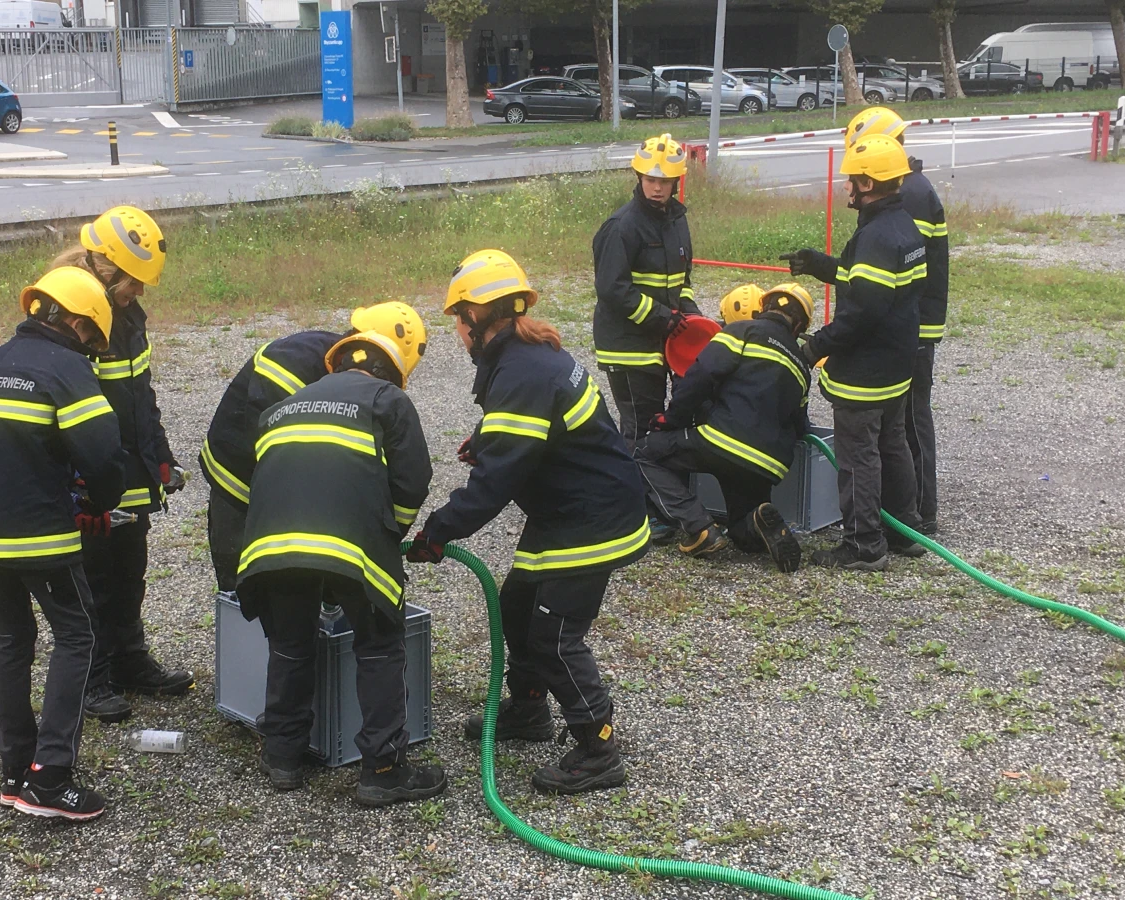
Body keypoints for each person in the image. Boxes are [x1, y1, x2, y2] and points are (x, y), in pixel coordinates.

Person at [410, 249, 648, 795]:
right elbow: (535, 428)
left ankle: (598, 748)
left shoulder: (521, 369)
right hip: (568, 508)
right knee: (518, 607)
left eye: (457, 320)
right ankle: (529, 710)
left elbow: (494, 485)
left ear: (476, 316)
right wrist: (489, 438)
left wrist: (436, 532)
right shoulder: (525, 357)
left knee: (555, 636)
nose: (456, 331)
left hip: (592, 519)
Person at [0, 266, 129, 821]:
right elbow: (102, 457)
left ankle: (14, 770)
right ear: (79, 323)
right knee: (77, 635)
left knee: (11, 639)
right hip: (39, 535)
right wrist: (97, 503)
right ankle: (49, 778)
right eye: (93, 338)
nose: (92, 349)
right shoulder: (66, 370)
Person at [235, 304, 440, 808]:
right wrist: (392, 534)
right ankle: (384, 769)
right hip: (351, 545)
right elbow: (413, 481)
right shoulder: (388, 401)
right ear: (395, 370)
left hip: (269, 549)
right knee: (379, 642)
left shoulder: (285, 406)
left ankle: (282, 755)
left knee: (291, 642)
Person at [51, 205, 193, 724]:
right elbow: (62, 410)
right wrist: (78, 485)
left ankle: (130, 661)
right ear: (103, 267)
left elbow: (139, 394)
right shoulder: (72, 315)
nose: (139, 292)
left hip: (129, 465)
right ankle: (91, 678)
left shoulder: (128, 317)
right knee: (92, 577)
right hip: (87, 470)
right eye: (132, 282)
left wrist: (160, 455)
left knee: (130, 569)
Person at [199, 303, 419, 602]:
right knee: (248, 585)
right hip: (238, 478)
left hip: (288, 478)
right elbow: (288, 465)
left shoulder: (362, 389)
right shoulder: (289, 365)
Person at [780, 133, 927, 571]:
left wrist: (814, 348)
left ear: (868, 183)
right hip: (896, 366)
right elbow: (866, 282)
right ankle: (905, 530)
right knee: (893, 444)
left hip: (865, 373)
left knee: (859, 457)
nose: (846, 186)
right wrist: (819, 264)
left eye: (851, 179)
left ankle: (864, 544)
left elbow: (862, 313)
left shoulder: (876, 236)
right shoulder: (904, 227)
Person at [636, 283, 814, 572]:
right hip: (768, 464)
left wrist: (672, 420)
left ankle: (699, 528)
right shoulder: (803, 367)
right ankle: (757, 519)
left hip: (721, 441)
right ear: (799, 327)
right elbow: (801, 425)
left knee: (644, 453)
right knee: (743, 534)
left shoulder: (741, 331)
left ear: (764, 308)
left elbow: (701, 374)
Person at [845, 106, 949, 536]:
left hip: (910, 327)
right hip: (907, 323)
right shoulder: (909, 187)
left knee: (907, 423)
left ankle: (918, 513)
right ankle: (904, 515)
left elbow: (892, 270)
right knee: (898, 427)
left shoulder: (911, 194)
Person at [591, 133, 701, 448]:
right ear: (639, 177)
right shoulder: (622, 226)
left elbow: (682, 280)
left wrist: (691, 315)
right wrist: (662, 318)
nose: (656, 188)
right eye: (651, 180)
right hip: (629, 348)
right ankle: (633, 480)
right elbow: (612, 289)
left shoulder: (676, 221)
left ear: (676, 182)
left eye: (664, 181)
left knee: (670, 422)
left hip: (663, 340)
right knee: (640, 429)